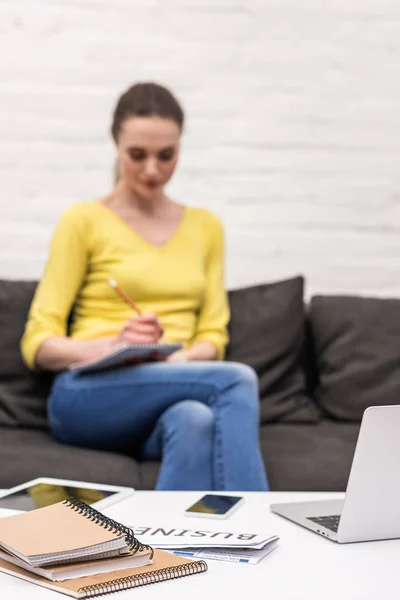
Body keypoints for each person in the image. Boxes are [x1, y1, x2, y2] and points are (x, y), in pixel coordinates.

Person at [21, 82, 269, 492]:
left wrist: (180, 362)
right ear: (115, 144)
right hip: (88, 395)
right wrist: (113, 346)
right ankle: (268, 536)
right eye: (138, 155)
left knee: (194, 419)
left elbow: (213, 334)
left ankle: (165, 554)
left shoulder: (206, 227)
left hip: (173, 388)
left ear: (180, 149)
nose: (152, 170)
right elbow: (38, 343)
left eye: (166, 155)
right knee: (236, 380)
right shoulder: (82, 221)